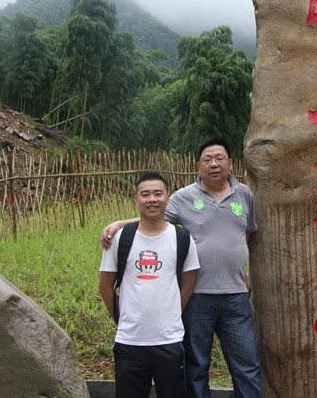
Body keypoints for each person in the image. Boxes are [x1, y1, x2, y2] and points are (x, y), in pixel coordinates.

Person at [101, 137, 264, 398]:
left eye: (220, 159)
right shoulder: (183, 197)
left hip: (236, 295)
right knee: (196, 367)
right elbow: (153, 216)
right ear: (198, 165)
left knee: (247, 365)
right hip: (197, 296)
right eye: (207, 160)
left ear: (231, 163)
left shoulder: (244, 194)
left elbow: (246, 234)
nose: (214, 164)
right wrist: (120, 224)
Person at [99, 171, 200, 398]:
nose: (152, 199)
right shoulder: (120, 239)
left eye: (158, 194)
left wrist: (171, 315)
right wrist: (121, 318)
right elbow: (105, 286)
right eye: (145, 194)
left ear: (168, 198)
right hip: (129, 341)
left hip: (169, 340)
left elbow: (188, 287)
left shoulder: (182, 238)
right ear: (136, 199)